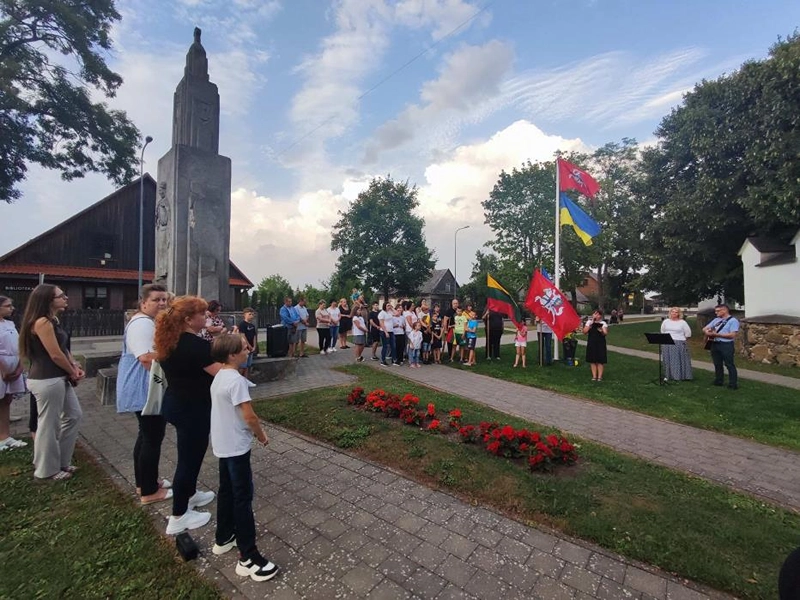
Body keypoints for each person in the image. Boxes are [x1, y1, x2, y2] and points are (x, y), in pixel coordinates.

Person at [209, 334, 280, 582]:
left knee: (226, 490)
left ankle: (223, 536)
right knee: (242, 497)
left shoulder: (220, 375)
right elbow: (249, 417)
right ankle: (248, 557)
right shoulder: (236, 381)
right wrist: (261, 436)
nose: (248, 350)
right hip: (236, 446)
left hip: (222, 443)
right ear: (231, 355)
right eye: (243, 348)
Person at [155, 296, 221, 534]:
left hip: (177, 403)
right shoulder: (195, 346)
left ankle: (190, 493)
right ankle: (179, 515)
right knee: (188, 459)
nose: (206, 317)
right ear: (188, 319)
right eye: (202, 314)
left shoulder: (170, 341)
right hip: (192, 408)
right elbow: (222, 373)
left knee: (189, 453)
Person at [19, 284, 84, 481]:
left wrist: (74, 365)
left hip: (59, 377)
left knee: (73, 415)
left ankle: (61, 461)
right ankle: (46, 470)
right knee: (49, 424)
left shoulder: (53, 321)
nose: (65, 298)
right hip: (47, 379)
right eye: (60, 296)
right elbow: (54, 354)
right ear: (48, 300)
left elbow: (63, 349)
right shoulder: (41, 323)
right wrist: (72, 371)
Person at [116, 284, 172, 505]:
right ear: (143, 302)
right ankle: (149, 491)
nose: (162, 304)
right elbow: (146, 358)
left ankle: (145, 482)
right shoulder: (141, 324)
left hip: (145, 387)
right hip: (144, 388)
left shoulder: (146, 322)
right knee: (152, 436)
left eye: (164, 300)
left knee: (146, 435)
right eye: (157, 299)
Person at [0, 296, 27, 451]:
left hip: (13, 363)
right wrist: (3, 370)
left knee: (6, 400)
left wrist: (19, 366)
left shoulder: (9, 323)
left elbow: (17, 345)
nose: (12, 308)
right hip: (2, 365)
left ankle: (5, 436)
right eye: (7, 306)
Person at [702, 303, 739, 389]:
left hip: (726, 344)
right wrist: (707, 332)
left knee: (729, 364)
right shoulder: (716, 320)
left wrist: (717, 335)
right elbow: (704, 328)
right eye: (715, 311)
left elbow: (732, 335)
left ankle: (733, 384)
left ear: (725, 310)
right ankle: (719, 380)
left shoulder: (733, 321)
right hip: (715, 344)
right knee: (717, 363)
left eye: (718, 311)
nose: (716, 313)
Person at [660, 307, 693, 381]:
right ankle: (668, 375)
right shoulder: (666, 321)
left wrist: (681, 340)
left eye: (676, 312)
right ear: (670, 313)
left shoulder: (682, 322)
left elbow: (688, 334)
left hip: (678, 342)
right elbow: (663, 331)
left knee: (676, 360)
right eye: (672, 312)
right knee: (667, 360)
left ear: (679, 314)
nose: (674, 313)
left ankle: (678, 376)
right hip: (667, 342)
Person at [583, 310, 608, 381]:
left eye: (597, 314)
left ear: (600, 316)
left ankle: (599, 377)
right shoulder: (589, 322)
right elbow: (584, 332)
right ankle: (594, 376)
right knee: (592, 360)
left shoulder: (603, 323)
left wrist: (601, 331)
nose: (596, 315)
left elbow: (605, 333)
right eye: (594, 314)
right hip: (592, 342)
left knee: (600, 360)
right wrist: (591, 323)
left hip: (600, 343)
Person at [237, 308, 258, 377]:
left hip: (251, 348)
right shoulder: (242, 324)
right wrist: (249, 346)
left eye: (252, 314)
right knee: (243, 366)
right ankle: (239, 379)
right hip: (245, 348)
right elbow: (243, 335)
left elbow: (254, 336)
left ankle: (246, 380)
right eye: (249, 314)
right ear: (244, 315)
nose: (251, 316)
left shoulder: (252, 325)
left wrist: (254, 346)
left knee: (248, 365)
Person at [378, 302, 396, 366]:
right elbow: (381, 323)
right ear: (384, 306)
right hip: (384, 331)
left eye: (389, 305)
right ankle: (383, 360)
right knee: (385, 346)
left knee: (393, 346)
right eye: (388, 305)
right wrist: (385, 332)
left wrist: (392, 307)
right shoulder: (382, 313)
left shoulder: (390, 312)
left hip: (391, 331)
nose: (389, 307)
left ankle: (394, 359)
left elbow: (396, 313)